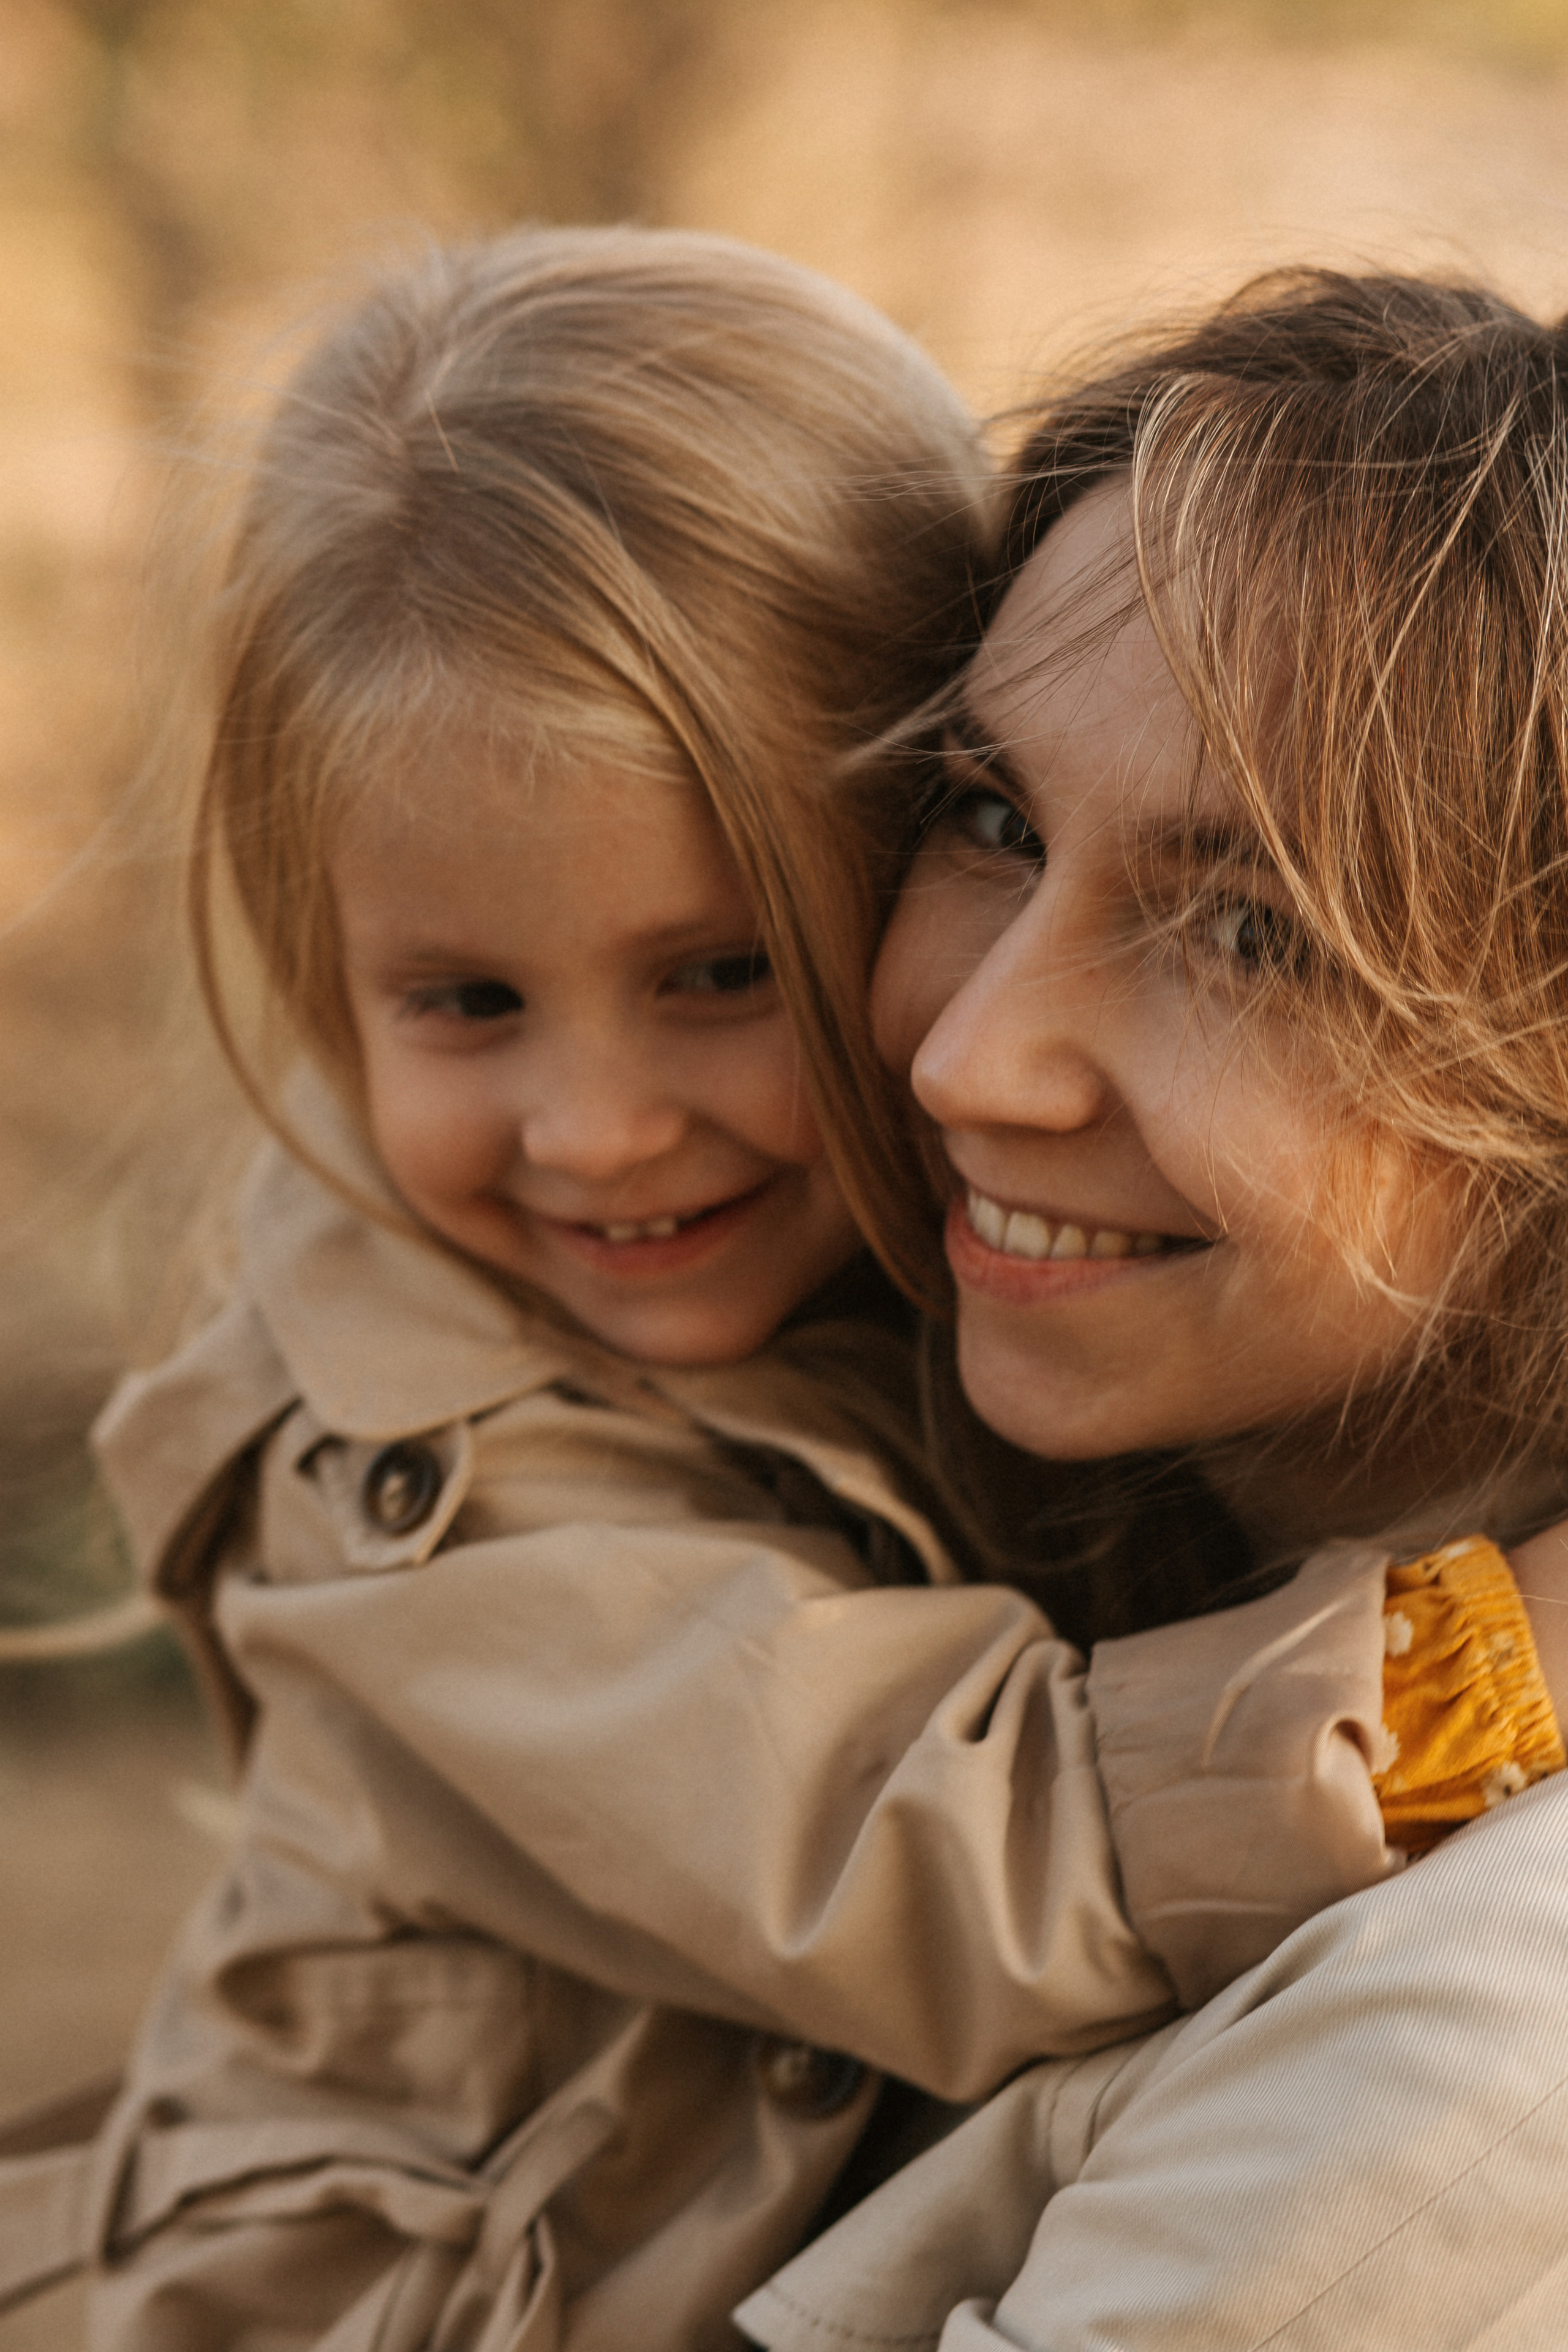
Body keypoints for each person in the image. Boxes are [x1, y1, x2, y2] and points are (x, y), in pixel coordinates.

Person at [0, 235, 1551, 2351]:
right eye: (467, 1002)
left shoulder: (924, 1295)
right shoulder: (419, 1467)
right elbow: (938, 1847)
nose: (605, 1130)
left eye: (723, 972)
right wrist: (1500, 1662)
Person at [737, 268, 1568, 2351]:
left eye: (1252, 930)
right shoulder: (836, 1441)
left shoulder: (1466, 2048)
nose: (968, 1065)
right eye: (993, 816)